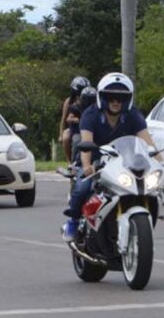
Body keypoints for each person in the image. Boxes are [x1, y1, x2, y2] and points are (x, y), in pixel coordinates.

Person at [62, 73, 155, 241]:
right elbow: (86, 142)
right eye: (111, 97)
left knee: (148, 189)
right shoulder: (90, 114)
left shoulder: (133, 115)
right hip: (96, 162)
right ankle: (73, 220)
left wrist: (160, 164)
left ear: (127, 100)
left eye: (120, 98)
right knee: (83, 187)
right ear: (102, 97)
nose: (115, 102)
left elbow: (147, 142)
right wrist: (87, 166)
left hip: (125, 161)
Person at [59, 76, 90, 163]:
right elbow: (64, 118)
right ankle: (70, 162)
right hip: (74, 128)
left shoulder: (90, 100)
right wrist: (60, 134)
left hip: (86, 127)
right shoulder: (69, 102)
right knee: (66, 137)